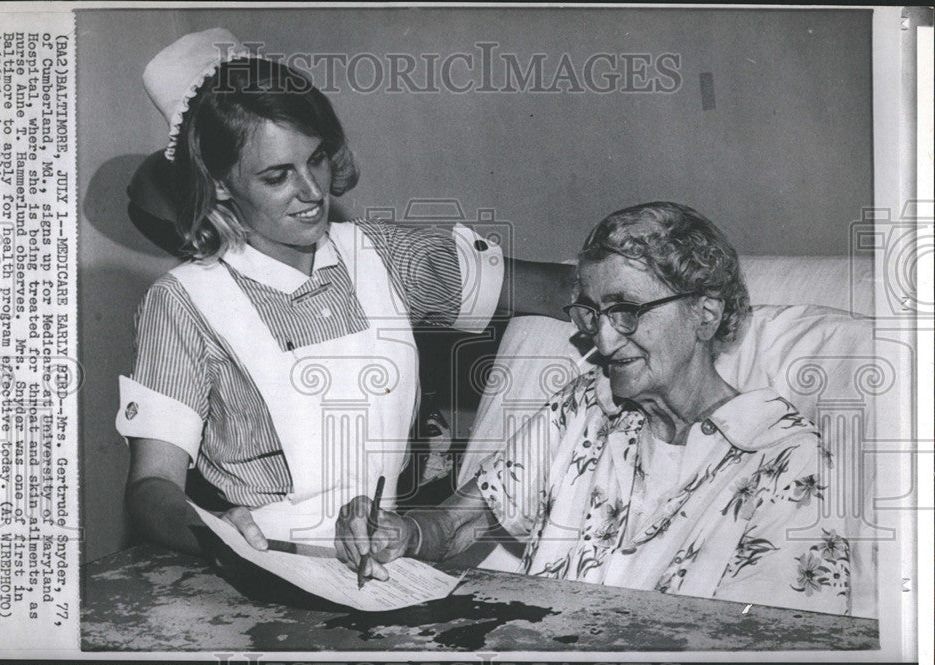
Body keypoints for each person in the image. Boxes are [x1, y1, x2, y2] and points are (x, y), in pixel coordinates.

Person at [116, 28, 572, 557]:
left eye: (316, 159)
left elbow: (561, 289)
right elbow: (151, 488)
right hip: (264, 565)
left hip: (388, 560)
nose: (313, 192)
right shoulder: (183, 302)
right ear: (220, 183)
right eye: (277, 176)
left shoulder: (382, 256)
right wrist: (213, 533)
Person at [337, 201, 855, 616]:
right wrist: (400, 532)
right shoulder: (585, 406)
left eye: (627, 311)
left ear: (706, 313)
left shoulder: (786, 459)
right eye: (592, 312)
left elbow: (771, 650)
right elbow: (457, 526)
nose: (603, 340)